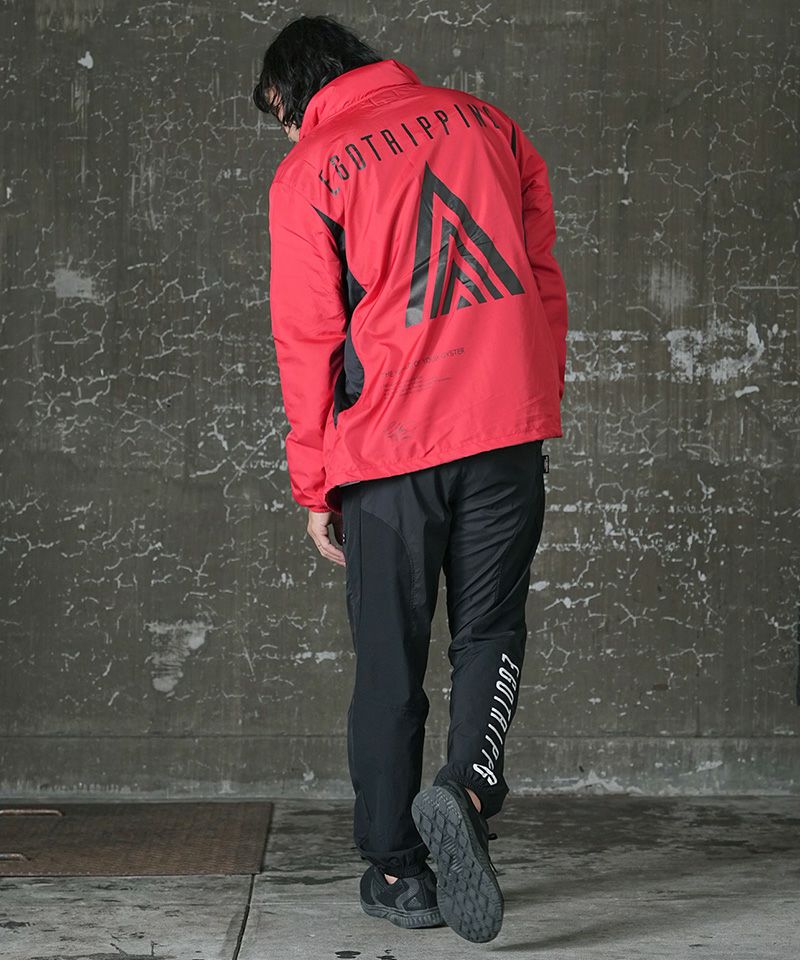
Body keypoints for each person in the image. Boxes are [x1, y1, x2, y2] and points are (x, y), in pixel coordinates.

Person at [253, 13, 568, 945]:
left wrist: (314, 483)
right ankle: (466, 790)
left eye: (280, 115)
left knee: (391, 660)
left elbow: (308, 337)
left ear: (292, 93)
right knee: (490, 630)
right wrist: (534, 392)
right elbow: (540, 273)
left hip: (390, 449)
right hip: (506, 428)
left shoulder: (312, 168)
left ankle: (398, 868)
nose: (286, 131)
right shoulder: (489, 122)